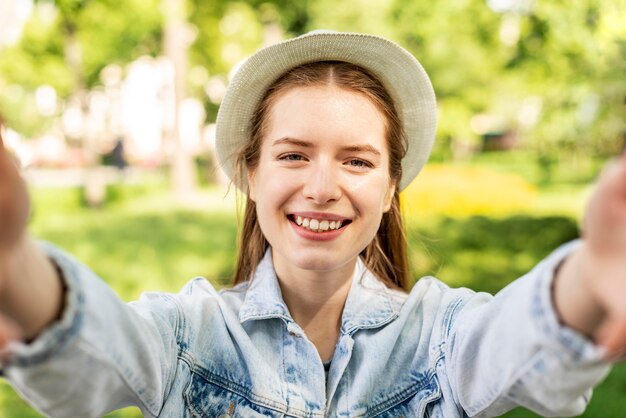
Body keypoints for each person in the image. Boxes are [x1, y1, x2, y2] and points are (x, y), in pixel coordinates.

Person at [0, 30, 625, 418]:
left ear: (390, 189)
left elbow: (516, 342)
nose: (323, 189)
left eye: (357, 161)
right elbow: (96, 355)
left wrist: (594, 270)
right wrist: (14, 263)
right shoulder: (189, 334)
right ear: (251, 173)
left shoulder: (439, 337)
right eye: (293, 155)